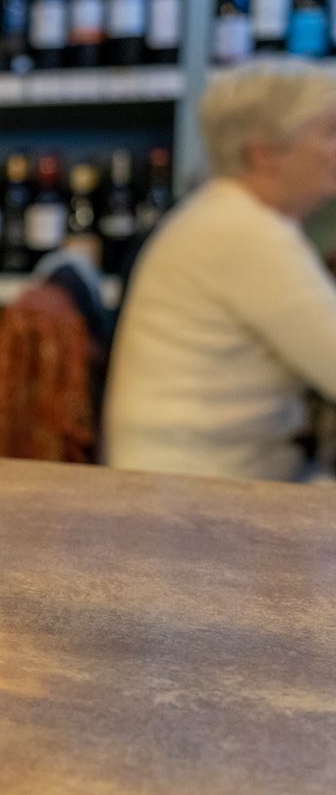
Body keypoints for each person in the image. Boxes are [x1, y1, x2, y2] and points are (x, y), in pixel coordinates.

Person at [104, 60, 336, 481]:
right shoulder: (246, 233)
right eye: (329, 132)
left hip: (189, 481)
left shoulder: (227, 215)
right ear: (264, 153)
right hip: (198, 493)